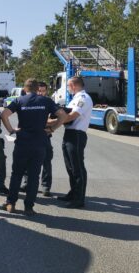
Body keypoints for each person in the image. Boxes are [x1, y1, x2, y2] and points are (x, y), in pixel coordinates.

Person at [1, 78, 66, 216]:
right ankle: (29, 207)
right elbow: (63, 115)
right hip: (39, 143)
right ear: (37, 89)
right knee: (34, 176)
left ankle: (11, 203)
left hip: (22, 142)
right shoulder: (46, 101)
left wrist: (11, 130)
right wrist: (52, 129)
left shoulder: (19, 100)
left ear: (25, 89)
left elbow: (4, 115)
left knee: (17, 174)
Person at [58, 77, 93, 209]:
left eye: (68, 86)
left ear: (73, 85)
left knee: (77, 167)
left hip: (77, 135)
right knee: (70, 167)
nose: (67, 88)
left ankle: (79, 199)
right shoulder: (76, 98)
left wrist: (51, 123)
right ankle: (73, 193)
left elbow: (72, 116)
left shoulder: (83, 98)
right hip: (70, 134)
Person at [19, 81, 55, 196]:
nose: (41, 93)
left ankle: (45, 186)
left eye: (43, 91)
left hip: (45, 136)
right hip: (30, 136)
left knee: (46, 161)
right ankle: (26, 182)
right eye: (39, 90)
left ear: (46, 91)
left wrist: (50, 126)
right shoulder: (29, 100)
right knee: (27, 161)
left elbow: (57, 118)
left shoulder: (48, 102)